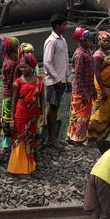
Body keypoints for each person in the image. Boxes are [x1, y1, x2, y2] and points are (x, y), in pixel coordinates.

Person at [8, 54, 44, 175]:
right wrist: (11, 120)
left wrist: (43, 115)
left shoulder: (40, 80)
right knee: (19, 139)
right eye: (21, 67)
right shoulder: (17, 82)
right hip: (20, 115)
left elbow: (42, 99)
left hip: (33, 115)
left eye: (25, 67)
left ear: (32, 66)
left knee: (30, 138)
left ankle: (29, 165)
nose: (22, 69)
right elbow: (13, 102)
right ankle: (17, 167)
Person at [43, 14, 69, 145]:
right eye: (64, 24)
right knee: (52, 109)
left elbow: (64, 61)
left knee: (56, 108)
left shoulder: (62, 40)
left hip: (61, 80)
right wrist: (58, 79)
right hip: (54, 82)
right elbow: (47, 62)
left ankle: (54, 137)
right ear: (57, 25)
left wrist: (66, 79)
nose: (66, 27)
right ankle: (51, 138)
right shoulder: (51, 41)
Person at [66, 28, 96, 145]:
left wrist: (92, 90)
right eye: (89, 39)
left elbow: (90, 74)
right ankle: (76, 138)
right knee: (79, 115)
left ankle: (75, 136)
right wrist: (83, 93)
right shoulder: (79, 54)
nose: (91, 41)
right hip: (80, 91)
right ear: (82, 40)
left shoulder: (87, 52)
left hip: (87, 89)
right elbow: (78, 76)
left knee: (81, 115)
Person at [88, 31, 110, 150]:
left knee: (107, 112)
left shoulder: (109, 53)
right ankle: (92, 137)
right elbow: (96, 73)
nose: (106, 42)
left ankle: (102, 136)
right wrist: (103, 89)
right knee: (97, 112)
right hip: (101, 87)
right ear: (99, 41)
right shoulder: (98, 55)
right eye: (103, 40)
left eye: (108, 40)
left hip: (109, 86)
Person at [0, 37, 20, 151]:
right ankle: (8, 143)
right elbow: (12, 82)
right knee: (9, 118)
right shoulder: (11, 63)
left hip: (8, 94)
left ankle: (7, 142)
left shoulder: (8, 60)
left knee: (7, 118)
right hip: (10, 94)